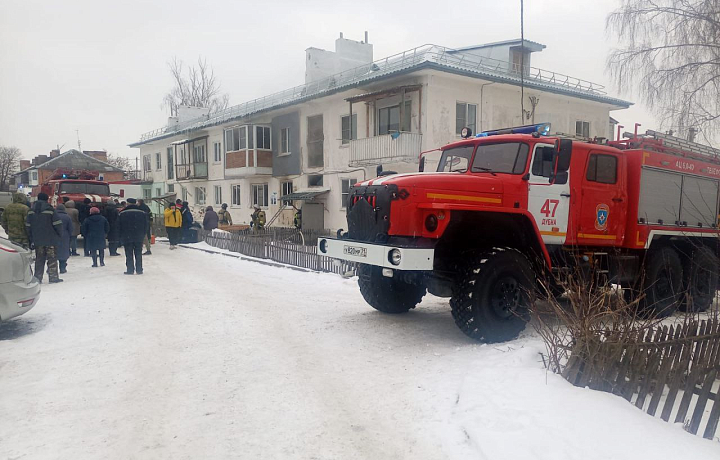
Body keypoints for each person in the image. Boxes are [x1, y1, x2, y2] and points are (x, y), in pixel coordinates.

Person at [25, 192, 63, 283]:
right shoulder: (50, 210)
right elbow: (57, 224)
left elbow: (28, 226)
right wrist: (59, 235)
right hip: (51, 239)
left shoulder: (31, 211)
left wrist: (31, 238)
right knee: (52, 259)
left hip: (38, 240)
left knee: (39, 259)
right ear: (46, 199)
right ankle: (53, 277)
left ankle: (38, 278)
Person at [119, 198, 148, 275]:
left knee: (129, 253)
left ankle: (130, 269)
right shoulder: (142, 213)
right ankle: (139, 269)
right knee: (138, 253)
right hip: (139, 236)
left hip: (127, 236)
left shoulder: (122, 213)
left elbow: (119, 226)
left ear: (127, 204)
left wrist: (121, 235)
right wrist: (143, 234)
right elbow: (146, 225)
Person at [55, 203, 73, 273]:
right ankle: (62, 267)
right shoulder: (67, 217)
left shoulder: (53, 216)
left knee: (54, 252)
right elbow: (70, 228)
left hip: (55, 235)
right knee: (64, 252)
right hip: (64, 236)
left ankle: (52, 268)